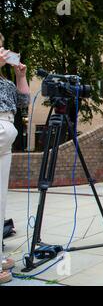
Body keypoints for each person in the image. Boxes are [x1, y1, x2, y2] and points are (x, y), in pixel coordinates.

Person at [0, 32, 30, 284]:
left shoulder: (5, 82)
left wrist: (21, 76)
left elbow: (23, 101)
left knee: (0, 198)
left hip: (5, 140)